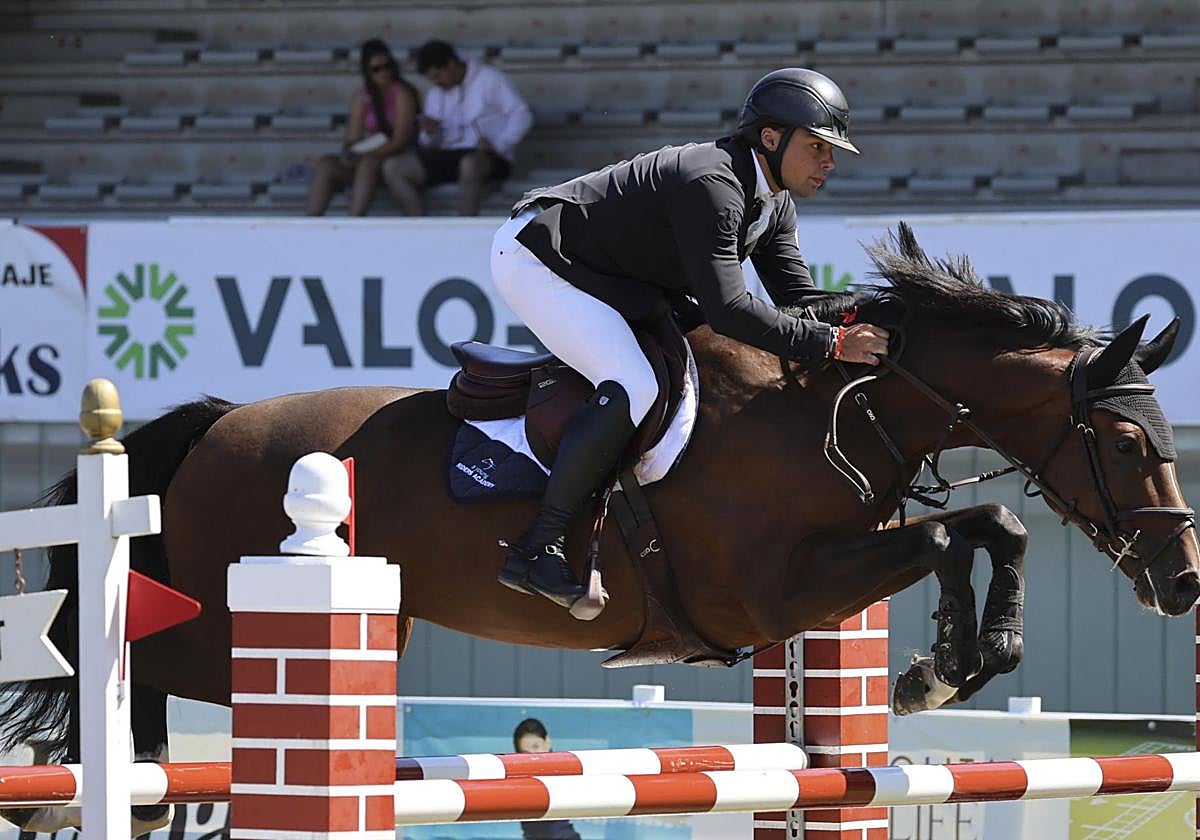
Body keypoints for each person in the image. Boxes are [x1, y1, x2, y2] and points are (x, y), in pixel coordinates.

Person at [490, 68, 892, 612]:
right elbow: (729, 311)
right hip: (541, 258)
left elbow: (797, 299)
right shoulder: (713, 185)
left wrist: (886, 310)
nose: (830, 162)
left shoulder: (772, 201)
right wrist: (831, 346)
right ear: (770, 138)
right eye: (817, 147)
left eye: (832, 150)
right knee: (635, 384)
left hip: (616, 275)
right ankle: (538, 547)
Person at [380, 40, 532, 216]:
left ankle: (465, 226)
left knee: (469, 164)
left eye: (437, 75)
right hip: (447, 155)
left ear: (451, 64)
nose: (435, 82)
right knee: (393, 167)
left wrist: (499, 144)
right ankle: (419, 225)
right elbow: (428, 143)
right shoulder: (435, 93)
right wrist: (429, 133)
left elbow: (521, 113)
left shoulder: (489, 78)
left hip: (487, 155)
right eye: (431, 78)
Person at [305, 39, 420, 216]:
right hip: (371, 153)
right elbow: (352, 138)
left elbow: (401, 139)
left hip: (397, 157)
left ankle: (355, 220)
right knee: (325, 164)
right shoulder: (362, 97)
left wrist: (366, 154)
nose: (384, 73)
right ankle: (310, 222)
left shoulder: (402, 93)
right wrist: (350, 153)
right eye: (377, 69)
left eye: (387, 66)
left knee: (367, 164)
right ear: (367, 71)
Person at [513, 718, 582, 840]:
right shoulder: (519, 781)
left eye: (536, 747)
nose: (533, 757)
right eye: (525, 753)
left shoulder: (566, 770)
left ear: (548, 742)